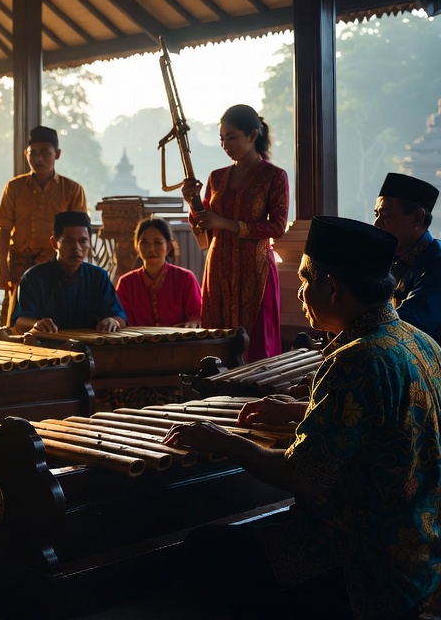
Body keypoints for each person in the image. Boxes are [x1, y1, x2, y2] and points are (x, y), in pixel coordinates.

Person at [165, 216, 441, 620]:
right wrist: (298, 409)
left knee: (205, 547)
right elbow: (385, 419)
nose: (299, 293)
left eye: (304, 281)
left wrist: (223, 439)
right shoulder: (420, 341)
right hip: (421, 554)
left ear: (331, 287)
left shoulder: (356, 359)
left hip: (364, 563)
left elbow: (305, 476)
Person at [182, 104, 288, 362]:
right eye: (221, 138)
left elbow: (277, 227)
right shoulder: (216, 177)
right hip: (219, 266)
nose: (225, 145)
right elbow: (204, 224)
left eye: (231, 137)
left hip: (256, 268)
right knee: (217, 338)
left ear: (253, 135)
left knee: (256, 343)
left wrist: (226, 222)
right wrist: (192, 202)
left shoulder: (274, 176)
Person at [0, 125, 88, 321]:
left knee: (53, 317)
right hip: (19, 264)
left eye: (45, 152)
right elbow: (3, 230)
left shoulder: (72, 190)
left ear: (57, 154)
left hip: (55, 264)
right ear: (25, 154)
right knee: (14, 320)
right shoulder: (14, 187)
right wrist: (2, 267)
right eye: (33, 153)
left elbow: (79, 232)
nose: (38, 158)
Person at [12, 211, 126, 334]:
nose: (76, 248)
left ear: (89, 243)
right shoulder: (33, 277)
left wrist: (113, 321)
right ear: (54, 243)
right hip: (46, 346)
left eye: (83, 241)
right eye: (68, 241)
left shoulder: (99, 277)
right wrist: (36, 324)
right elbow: (20, 320)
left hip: (89, 347)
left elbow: (120, 317)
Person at [373, 172, 441, 343]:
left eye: (386, 216)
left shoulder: (437, 262)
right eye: (376, 215)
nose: (376, 224)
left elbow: (409, 324)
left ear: (417, 218)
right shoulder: (391, 258)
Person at [115, 217, 202, 328]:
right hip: (138, 344)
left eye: (157, 242)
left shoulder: (186, 278)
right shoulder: (126, 283)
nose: (151, 249)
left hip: (178, 343)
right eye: (144, 243)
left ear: (168, 247)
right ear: (137, 246)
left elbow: (196, 313)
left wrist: (193, 322)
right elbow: (121, 316)